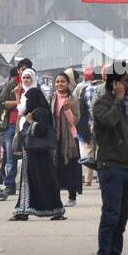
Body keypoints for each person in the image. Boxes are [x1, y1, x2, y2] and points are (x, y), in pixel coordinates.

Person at [93, 67, 128, 255]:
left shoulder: (126, 105)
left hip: (127, 165)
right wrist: (119, 100)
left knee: (122, 216)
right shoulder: (102, 104)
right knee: (110, 214)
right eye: (126, 81)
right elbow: (109, 121)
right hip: (110, 166)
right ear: (115, 83)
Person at [12, 86, 66, 221]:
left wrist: (30, 122)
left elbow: (42, 130)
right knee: (35, 182)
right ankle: (24, 210)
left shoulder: (40, 112)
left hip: (37, 154)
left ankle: (51, 209)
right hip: (33, 154)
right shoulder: (37, 111)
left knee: (42, 181)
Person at [0, 59, 32, 193]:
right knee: (10, 155)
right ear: (18, 71)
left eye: (27, 70)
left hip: (28, 124)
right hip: (11, 124)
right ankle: (10, 184)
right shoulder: (11, 85)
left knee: (29, 155)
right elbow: (2, 102)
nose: (25, 74)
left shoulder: (34, 86)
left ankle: (29, 184)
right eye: (22, 69)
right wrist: (18, 103)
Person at [53, 72, 83, 206]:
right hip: (55, 138)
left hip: (70, 139)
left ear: (68, 83)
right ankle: (55, 198)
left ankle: (72, 197)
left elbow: (75, 121)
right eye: (57, 81)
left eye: (62, 81)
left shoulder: (73, 99)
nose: (60, 84)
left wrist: (66, 110)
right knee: (55, 168)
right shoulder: (51, 98)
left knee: (71, 168)